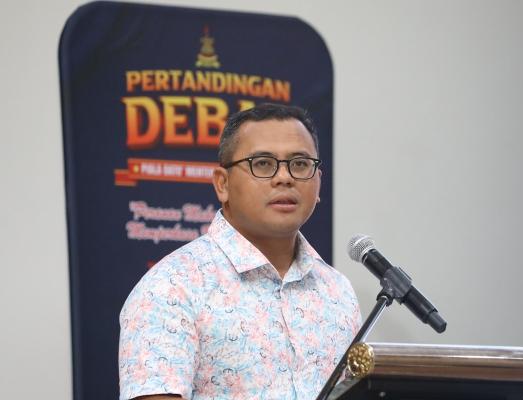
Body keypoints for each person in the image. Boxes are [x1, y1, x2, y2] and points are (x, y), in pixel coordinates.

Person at [118, 103, 362, 400]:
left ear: (318, 181)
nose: (284, 177)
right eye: (263, 163)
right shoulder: (171, 287)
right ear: (222, 184)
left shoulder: (338, 292)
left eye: (299, 164)